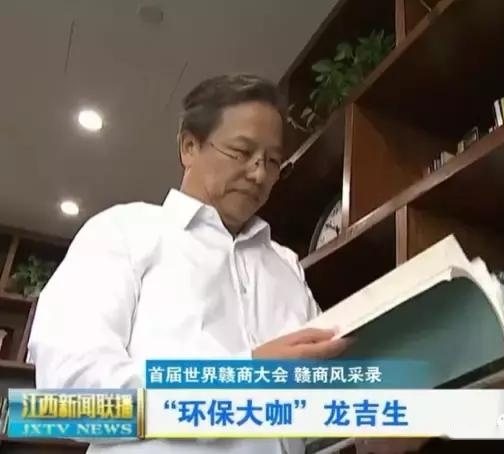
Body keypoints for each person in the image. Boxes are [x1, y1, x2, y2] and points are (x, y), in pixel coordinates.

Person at [28, 74, 425, 454]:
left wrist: (367, 428)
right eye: (241, 152)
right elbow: (70, 403)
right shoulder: (122, 232)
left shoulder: (286, 265)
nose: (259, 173)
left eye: (273, 161)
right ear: (189, 147)